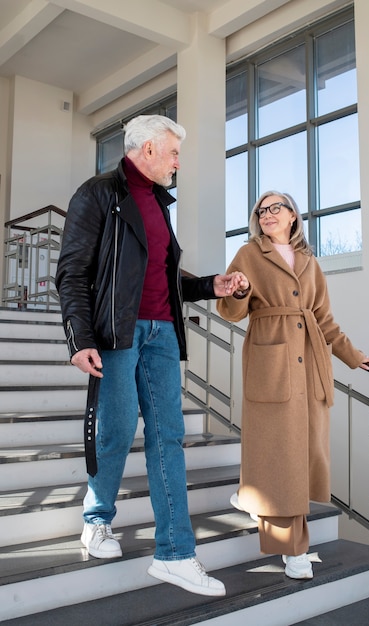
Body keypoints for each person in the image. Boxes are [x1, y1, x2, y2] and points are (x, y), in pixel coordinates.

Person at [55, 114, 246, 597]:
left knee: (169, 438)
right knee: (116, 432)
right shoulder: (98, 194)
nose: (178, 162)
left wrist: (209, 286)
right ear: (147, 152)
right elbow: (73, 272)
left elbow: (160, 276)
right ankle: (96, 519)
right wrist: (80, 339)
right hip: (116, 335)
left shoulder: (159, 203)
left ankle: (176, 554)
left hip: (162, 334)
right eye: (174, 153)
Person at [216, 191, 369, 580]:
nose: (267, 214)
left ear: (292, 217)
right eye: (261, 210)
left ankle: (253, 494)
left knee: (302, 455)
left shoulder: (309, 262)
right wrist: (238, 291)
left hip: (309, 364)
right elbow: (231, 311)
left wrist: (353, 356)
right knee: (279, 457)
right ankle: (293, 549)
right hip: (271, 361)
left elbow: (325, 320)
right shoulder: (249, 254)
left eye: (275, 208)